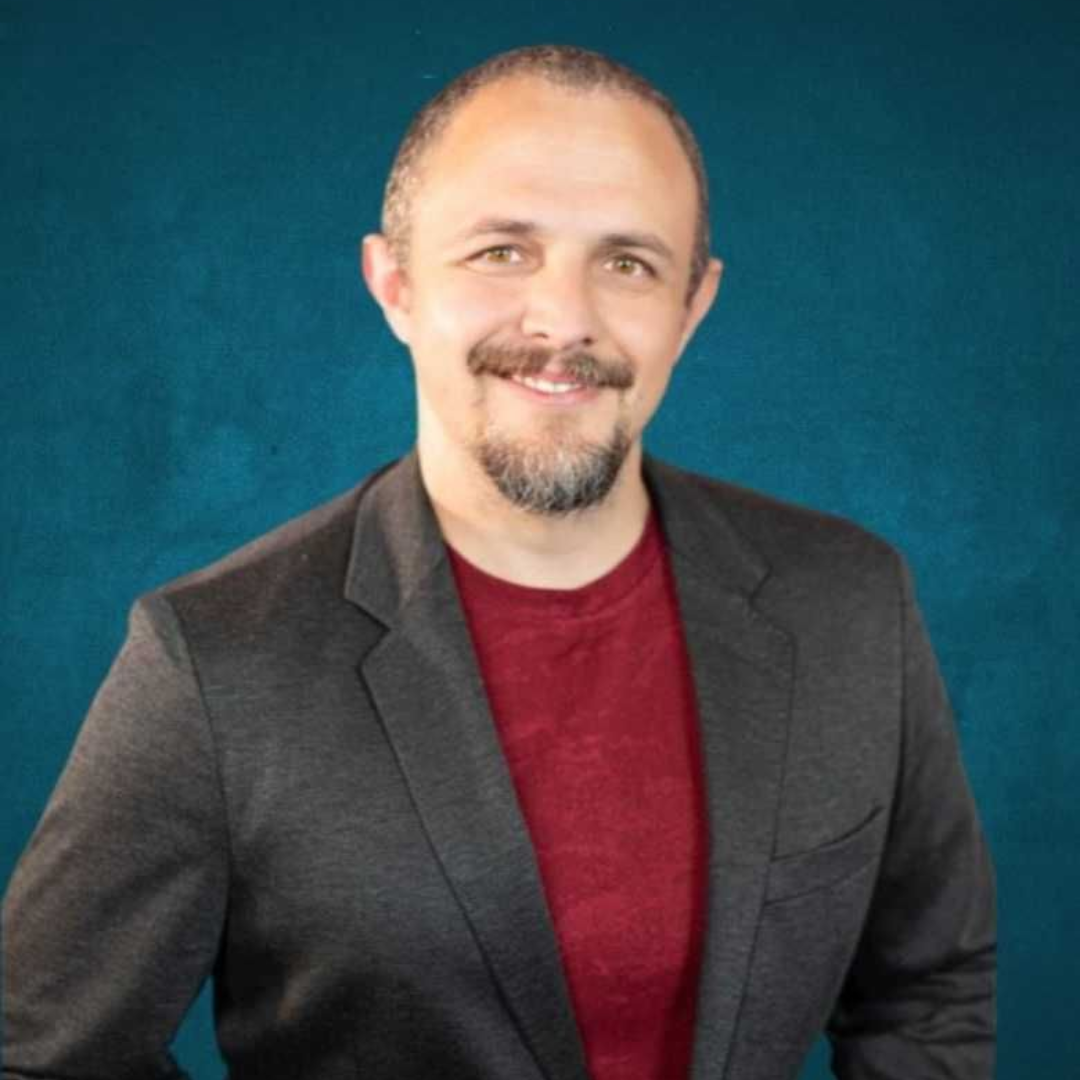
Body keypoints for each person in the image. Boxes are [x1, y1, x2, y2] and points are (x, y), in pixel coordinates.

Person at [2, 43, 996, 1080]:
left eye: (627, 262)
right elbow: (43, 1054)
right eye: (501, 251)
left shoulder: (852, 601)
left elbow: (928, 988)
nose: (563, 320)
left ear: (692, 306)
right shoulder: (207, 663)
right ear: (393, 284)